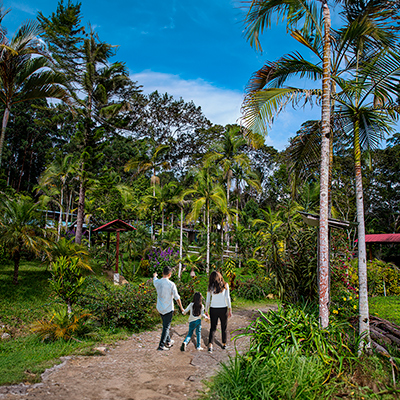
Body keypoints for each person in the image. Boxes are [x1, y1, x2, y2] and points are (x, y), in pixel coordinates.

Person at [153, 266, 184, 351]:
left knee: (165, 325)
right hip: (168, 308)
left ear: (163, 273)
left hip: (160, 308)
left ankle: (168, 341)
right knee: (166, 327)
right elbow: (177, 298)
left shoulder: (157, 282)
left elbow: (154, 279)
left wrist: (155, 275)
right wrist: (181, 308)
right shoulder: (171, 284)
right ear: (170, 274)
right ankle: (161, 346)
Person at [206, 270, 232, 353]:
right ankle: (224, 344)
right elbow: (227, 298)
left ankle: (210, 345)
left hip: (213, 308)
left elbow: (207, 300)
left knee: (213, 328)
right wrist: (230, 309)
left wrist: (206, 310)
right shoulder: (225, 285)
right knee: (224, 327)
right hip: (223, 308)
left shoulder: (210, 286)